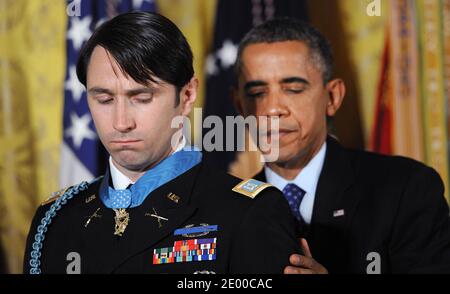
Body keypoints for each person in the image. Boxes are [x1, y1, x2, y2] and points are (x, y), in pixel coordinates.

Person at [23, 12, 301, 274]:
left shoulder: (247, 213)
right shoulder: (54, 219)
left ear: (187, 96)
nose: (121, 122)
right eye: (104, 99)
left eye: (141, 98)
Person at [233, 17, 450, 273]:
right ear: (239, 106)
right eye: (257, 94)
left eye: (292, 89)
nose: (272, 109)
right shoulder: (229, 210)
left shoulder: (406, 190)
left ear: (332, 97)